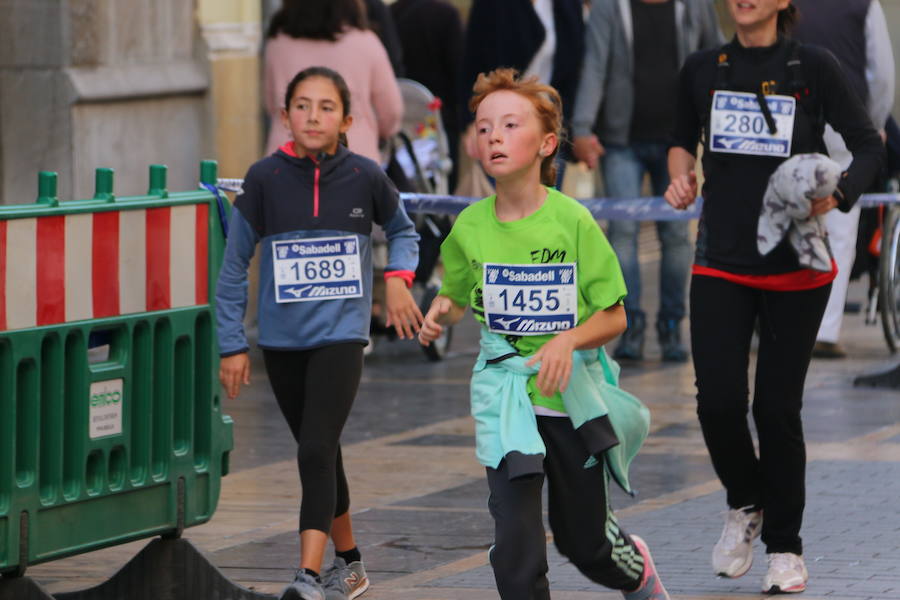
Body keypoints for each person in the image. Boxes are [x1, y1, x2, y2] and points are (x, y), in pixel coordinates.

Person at [420, 68, 670, 600]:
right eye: (484, 127)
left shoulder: (573, 221)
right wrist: (440, 310)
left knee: (585, 546)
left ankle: (637, 571)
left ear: (547, 143)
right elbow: (458, 296)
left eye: (510, 125)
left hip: (569, 402)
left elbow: (615, 316)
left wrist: (565, 340)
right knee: (517, 549)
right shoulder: (469, 228)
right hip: (506, 399)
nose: (494, 137)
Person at [665, 0, 883, 594]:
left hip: (798, 270)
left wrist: (841, 194)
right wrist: (681, 175)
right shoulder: (702, 68)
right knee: (716, 403)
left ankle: (786, 549)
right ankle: (746, 503)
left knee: (776, 411)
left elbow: (870, 144)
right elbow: (680, 141)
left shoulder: (812, 66)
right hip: (721, 262)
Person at [217, 67, 423, 600]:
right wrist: (232, 343)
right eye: (302, 106)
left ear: (347, 119)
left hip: (341, 336)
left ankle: (306, 577)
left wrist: (399, 281)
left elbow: (403, 231)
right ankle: (350, 564)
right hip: (282, 344)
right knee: (322, 453)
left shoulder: (364, 175)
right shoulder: (263, 179)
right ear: (285, 117)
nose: (314, 116)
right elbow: (234, 266)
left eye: (326, 107)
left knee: (313, 449)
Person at [571, 0, 723, 362]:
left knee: (675, 236)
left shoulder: (696, 6)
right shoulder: (610, 8)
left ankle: (671, 325)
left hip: (679, 141)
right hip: (621, 141)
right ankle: (629, 324)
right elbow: (594, 66)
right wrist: (581, 127)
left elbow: (718, 58)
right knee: (623, 235)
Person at [790, 0, 895, 359]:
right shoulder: (863, 4)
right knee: (839, 227)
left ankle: (785, 318)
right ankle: (824, 328)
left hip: (792, 118)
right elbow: (880, 72)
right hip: (845, 124)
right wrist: (874, 125)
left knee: (790, 214)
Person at [263, 0, 403, 163]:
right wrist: (381, 133)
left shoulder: (278, 43)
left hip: (287, 158)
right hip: (354, 158)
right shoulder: (366, 42)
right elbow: (391, 110)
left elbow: (271, 104)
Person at [459, 0, 585, 166]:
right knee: (504, 188)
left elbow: (573, 71)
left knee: (546, 189)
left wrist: (577, 127)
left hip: (549, 125)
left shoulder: (568, 6)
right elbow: (472, 63)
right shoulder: (493, 5)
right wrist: (472, 121)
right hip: (500, 124)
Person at [390, 0, 465, 189]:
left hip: (398, 117)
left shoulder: (391, 13)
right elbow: (459, 70)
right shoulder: (446, 14)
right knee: (441, 185)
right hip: (439, 117)